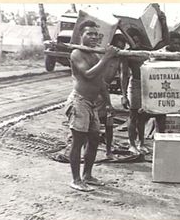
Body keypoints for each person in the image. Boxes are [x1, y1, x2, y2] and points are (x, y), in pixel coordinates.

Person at [65, 20, 118, 192]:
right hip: (79, 101)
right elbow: (88, 75)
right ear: (81, 35)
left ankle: (87, 175)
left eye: (96, 34)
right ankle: (76, 179)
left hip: (92, 104)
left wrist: (108, 103)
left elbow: (100, 82)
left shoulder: (95, 55)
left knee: (94, 140)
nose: (94, 37)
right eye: (90, 34)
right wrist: (107, 57)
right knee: (78, 141)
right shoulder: (76, 53)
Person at [120, 29, 166, 155]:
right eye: (133, 40)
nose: (136, 43)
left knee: (143, 116)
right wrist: (124, 95)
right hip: (135, 84)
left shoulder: (148, 51)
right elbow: (124, 75)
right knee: (133, 115)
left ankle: (141, 143)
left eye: (138, 40)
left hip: (149, 85)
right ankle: (132, 144)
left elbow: (164, 42)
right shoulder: (127, 54)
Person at [95, 34, 127, 159]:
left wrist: (124, 95)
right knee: (92, 121)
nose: (118, 50)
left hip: (105, 90)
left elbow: (124, 76)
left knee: (109, 121)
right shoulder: (101, 54)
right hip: (94, 90)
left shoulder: (120, 59)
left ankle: (108, 151)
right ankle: (87, 149)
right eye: (117, 47)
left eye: (121, 48)